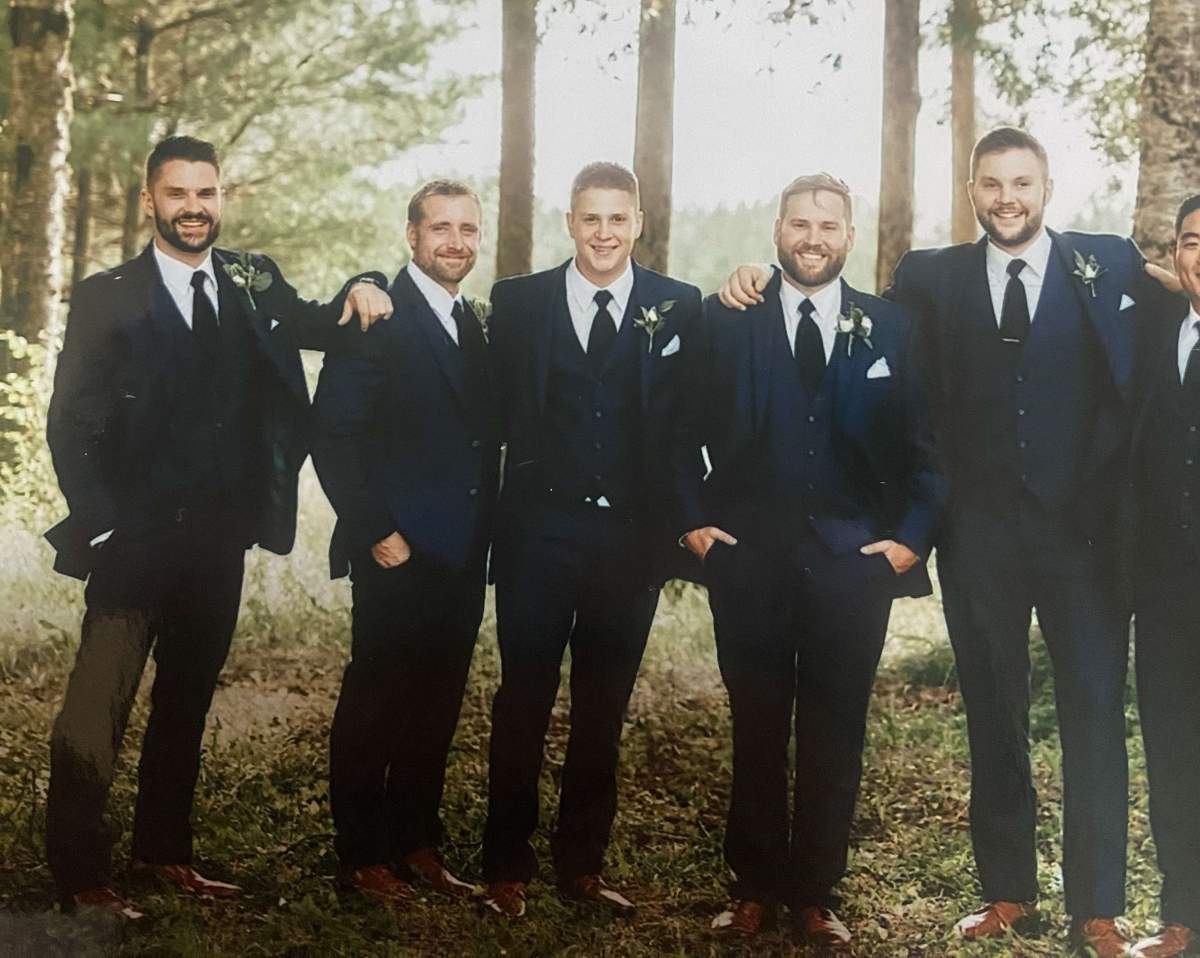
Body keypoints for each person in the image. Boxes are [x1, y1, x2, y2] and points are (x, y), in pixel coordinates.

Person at [716, 128, 1145, 957]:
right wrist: (753, 279)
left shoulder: (1110, 263)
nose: (1007, 197)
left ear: (1047, 187)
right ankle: (1008, 891)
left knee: (1094, 716)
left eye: (1022, 182)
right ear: (973, 190)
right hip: (979, 538)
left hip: (1084, 545)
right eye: (991, 183)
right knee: (995, 714)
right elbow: (841, 321)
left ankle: (1098, 905)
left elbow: (1178, 291)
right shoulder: (929, 278)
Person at [43, 134, 391, 918]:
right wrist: (100, 524)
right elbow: (71, 421)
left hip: (219, 538)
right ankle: (79, 876)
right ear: (150, 202)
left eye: (206, 193)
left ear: (220, 198)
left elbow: (321, 321)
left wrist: (366, 284)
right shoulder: (109, 294)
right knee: (96, 708)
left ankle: (163, 853)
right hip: (132, 541)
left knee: (185, 702)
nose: (194, 208)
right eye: (177, 194)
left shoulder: (252, 278)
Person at [673, 173, 942, 949]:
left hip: (852, 564)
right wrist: (694, 523)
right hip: (746, 559)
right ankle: (753, 887)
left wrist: (909, 539)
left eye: (828, 225)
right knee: (756, 724)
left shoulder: (891, 327)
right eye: (799, 224)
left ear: (849, 237)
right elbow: (674, 430)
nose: (813, 238)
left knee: (836, 727)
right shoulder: (727, 321)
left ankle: (816, 893)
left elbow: (926, 448)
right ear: (777, 229)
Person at [479, 161, 702, 918]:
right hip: (538, 536)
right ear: (569, 222)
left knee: (602, 707)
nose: (604, 233)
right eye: (590, 218)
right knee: (524, 702)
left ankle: (580, 865)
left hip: (629, 544)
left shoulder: (679, 306)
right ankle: (504, 865)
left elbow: (694, 422)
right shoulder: (518, 303)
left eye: (618, 218)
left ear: (639, 223)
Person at [311, 180, 498, 906]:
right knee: (378, 701)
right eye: (440, 228)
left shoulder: (470, 322)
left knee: (438, 702)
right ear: (411, 236)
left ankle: (416, 843)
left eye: (468, 229)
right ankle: (361, 856)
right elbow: (334, 435)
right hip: (396, 551)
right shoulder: (378, 316)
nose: (455, 241)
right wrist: (377, 532)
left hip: (460, 552)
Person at [1126, 194, 1200, 958]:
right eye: (1192, 241)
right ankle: (1183, 912)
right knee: (1174, 750)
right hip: (1168, 593)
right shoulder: (1157, 332)